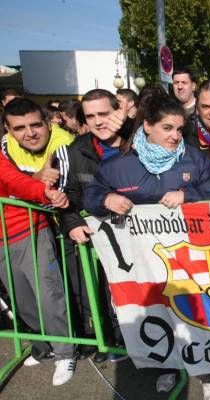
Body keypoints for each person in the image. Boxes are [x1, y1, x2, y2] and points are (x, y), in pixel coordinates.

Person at [82, 93, 210, 400]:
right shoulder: (119, 166)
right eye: (167, 128)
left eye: (179, 129)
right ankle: (169, 367)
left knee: (196, 313)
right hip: (145, 262)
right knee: (158, 314)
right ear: (147, 126)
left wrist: (190, 195)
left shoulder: (194, 158)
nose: (175, 136)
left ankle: (207, 371)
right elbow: (90, 196)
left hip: (191, 257)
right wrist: (107, 200)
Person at [1, 98, 77, 386]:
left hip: (27, 228)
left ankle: (64, 351)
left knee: (49, 294)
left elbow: (14, 181)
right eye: (19, 128)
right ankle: (42, 346)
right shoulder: (5, 145)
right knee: (21, 299)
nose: (29, 132)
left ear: (46, 121)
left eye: (34, 124)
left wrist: (45, 193)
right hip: (1, 240)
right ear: (8, 130)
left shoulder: (60, 141)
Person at [55, 89, 130, 363]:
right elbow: (69, 197)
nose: (98, 122)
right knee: (103, 293)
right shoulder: (76, 150)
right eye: (91, 116)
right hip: (101, 240)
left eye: (104, 114)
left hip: (140, 238)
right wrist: (72, 222)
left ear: (117, 111)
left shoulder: (137, 141)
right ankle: (114, 340)